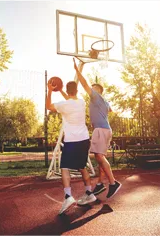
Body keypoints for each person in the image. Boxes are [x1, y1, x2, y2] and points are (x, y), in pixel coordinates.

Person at [46, 80, 96, 215]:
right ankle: (89, 193)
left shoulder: (64, 105)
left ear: (67, 91)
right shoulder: (81, 102)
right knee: (82, 167)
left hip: (71, 141)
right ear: (77, 91)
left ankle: (68, 197)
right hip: (84, 139)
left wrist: (50, 90)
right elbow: (70, 99)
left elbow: (48, 106)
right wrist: (62, 90)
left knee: (64, 167)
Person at [73, 58, 121, 198]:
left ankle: (113, 183)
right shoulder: (104, 101)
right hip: (106, 129)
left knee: (99, 156)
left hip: (100, 129)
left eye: (93, 88)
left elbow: (84, 83)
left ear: (97, 90)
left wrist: (77, 70)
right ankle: (100, 183)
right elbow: (111, 110)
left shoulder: (96, 96)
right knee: (101, 157)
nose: (90, 90)